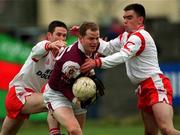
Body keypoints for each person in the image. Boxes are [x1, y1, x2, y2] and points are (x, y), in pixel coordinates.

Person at [80, 3, 180, 135]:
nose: (125, 21)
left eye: (129, 17)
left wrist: (97, 62)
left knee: (167, 129)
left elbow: (123, 55)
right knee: (150, 132)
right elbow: (108, 47)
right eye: (124, 17)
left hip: (155, 85)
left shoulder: (140, 36)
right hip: (143, 87)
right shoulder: (126, 36)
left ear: (140, 20)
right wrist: (85, 37)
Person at [0, 20, 67, 135]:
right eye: (58, 34)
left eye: (64, 35)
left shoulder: (62, 56)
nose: (61, 38)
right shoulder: (43, 47)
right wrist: (50, 45)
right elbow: (39, 48)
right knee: (55, 99)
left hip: (28, 99)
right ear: (49, 35)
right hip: (17, 94)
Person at [43, 21, 101, 135]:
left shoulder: (93, 46)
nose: (95, 42)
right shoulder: (72, 61)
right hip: (57, 93)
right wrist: (76, 100)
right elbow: (62, 86)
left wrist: (92, 75)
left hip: (76, 89)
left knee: (76, 132)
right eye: (91, 39)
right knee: (75, 130)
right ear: (80, 38)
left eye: (97, 38)